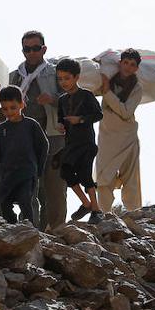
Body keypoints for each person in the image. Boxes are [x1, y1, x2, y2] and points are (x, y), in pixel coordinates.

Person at [5, 30, 68, 230]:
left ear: (44, 49)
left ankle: (56, 232)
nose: (31, 52)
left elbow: (72, 99)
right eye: (27, 49)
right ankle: (28, 231)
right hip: (24, 139)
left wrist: (53, 99)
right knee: (27, 187)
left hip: (53, 137)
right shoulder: (15, 77)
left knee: (55, 188)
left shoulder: (56, 73)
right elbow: (2, 105)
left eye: (36, 48)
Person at [0, 85, 48, 224]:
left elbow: (43, 146)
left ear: (22, 104)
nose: (9, 112)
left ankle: (30, 229)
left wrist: (38, 169)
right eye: (5, 109)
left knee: (25, 200)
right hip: (7, 174)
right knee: (1, 200)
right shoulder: (1, 129)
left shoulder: (31, 125)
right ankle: (12, 227)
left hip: (27, 173)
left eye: (13, 108)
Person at [96, 48, 145, 212]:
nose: (128, 67)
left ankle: (134, 214)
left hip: (127, 138)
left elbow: (125, 112)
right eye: (126, 63)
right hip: (107, 136)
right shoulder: (108, 79)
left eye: (132, 64)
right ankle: (103, 214)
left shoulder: (137, 88)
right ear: (120, 63)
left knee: (131, 178)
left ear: (136, 68)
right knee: (104, 177)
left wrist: (107, 92)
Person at [55, 58, 104, 223]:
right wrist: (61, 126)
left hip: (86, 143)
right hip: (71, 144)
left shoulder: (87, 95)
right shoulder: (62, 100)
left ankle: (96, 209)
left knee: (85, 174)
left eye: (67, 78)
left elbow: (98, 114)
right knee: (65, 172)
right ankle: (86, 204)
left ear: (76, 77)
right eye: (60, 79)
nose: (63, 82)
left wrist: (81, 119)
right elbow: (61, 119)